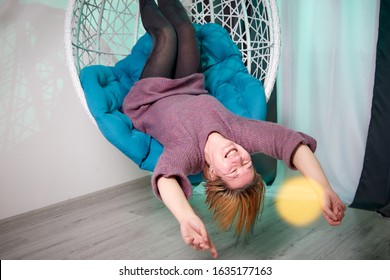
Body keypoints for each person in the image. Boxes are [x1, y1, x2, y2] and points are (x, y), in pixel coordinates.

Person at [123, 0, 346, 258]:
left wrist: (185, 217)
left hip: (150, 97)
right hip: (188, 85)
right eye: (247, 165)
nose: (239, 160)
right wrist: (323, 189)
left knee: (167, 35)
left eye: (233, 171)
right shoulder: (238, 132)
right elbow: (289, 143)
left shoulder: (189, 153)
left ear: (215, 174)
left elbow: (165, 178)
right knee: (186, 30)